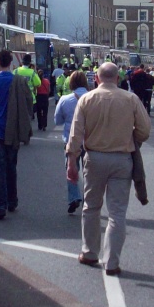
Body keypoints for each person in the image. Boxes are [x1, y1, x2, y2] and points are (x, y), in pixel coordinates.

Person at [67, 63, 151, 276]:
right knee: (117, 213)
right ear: (118, 78)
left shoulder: (86, 99)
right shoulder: (131, 99)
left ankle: (89, 252)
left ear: (96, 77)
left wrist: (71, 161)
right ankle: (112, 262)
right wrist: (132, 139)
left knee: (91, 207)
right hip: (122, 159)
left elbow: (76, 134)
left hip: (94, 158)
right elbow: (145, 130)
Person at [0, 50, 33, 220]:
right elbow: (27, 103)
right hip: (13, 131)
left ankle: (0, 205)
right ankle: (13, 200)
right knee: (11, 166)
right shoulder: (18, 80)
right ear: (11, 62)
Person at [55, 70, 90, 214]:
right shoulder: (92, 98)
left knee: (71, 170)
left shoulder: (65, 99)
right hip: (89, 141)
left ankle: (73, 197)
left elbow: (57, 120)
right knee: (89, 173)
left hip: (71, 141)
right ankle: (88, 200)